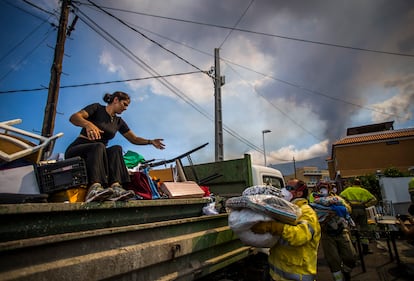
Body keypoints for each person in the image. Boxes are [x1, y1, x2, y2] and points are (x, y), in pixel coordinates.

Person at [65, 91, 165, 202]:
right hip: (78, 149)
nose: (126, 108)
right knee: (98, 146)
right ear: (116, 100)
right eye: (125, 104)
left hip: (98, 153)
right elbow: (74, 117)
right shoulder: (97, 108)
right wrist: (88, 124)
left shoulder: (118, 122)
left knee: (116, 149)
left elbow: (134, 139)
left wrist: (151, 141)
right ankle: (94, 188)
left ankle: (116, 187)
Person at [251, 179, 321, 281]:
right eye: (284, 187)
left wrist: (273, 227)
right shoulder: (285, 211)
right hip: (276, 274)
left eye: (289, 188)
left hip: (297, 276)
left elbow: (300, 236)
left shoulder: (307, 212)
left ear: (299, 193)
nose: (284, 191)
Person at [311, 181, 356, 281]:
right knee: (333, 259)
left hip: (341, 230)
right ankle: (338, 279)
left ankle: (346, 271)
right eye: (321, 187)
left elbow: (348, 209)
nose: (323, 189)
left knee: (351, 256)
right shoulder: (314, 198)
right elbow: (312, 212)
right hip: (326, 233)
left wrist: (336, 210)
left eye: (325, 187)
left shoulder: (337, 199)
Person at [339, 178, 377, 255]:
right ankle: (365, 248)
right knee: (364, 228)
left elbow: (340, 197)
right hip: (362, 210)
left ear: (353, 184)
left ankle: (354, 248)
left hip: (352, 210)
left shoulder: (348, 190)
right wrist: (366, 205)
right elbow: (374, 199)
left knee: (352, 227)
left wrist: (347, 204)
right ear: (360, 184)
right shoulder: (364, 191)